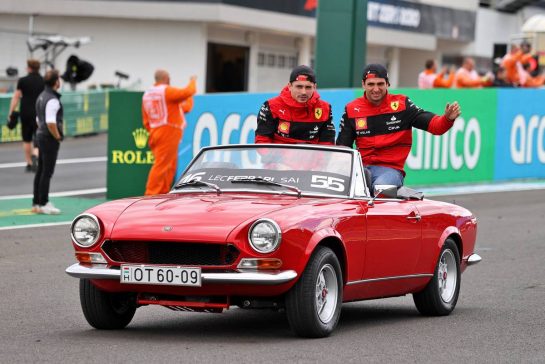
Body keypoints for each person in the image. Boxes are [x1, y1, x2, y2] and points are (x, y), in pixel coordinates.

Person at [336, 63, 461, 190]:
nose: (376, 89)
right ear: (363, 84)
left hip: (390, 171)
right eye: (371, 84)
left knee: (381, 189)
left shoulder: (402, 105)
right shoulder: (351, 109)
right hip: (360, 169)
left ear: (387, 84)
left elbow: (435, 127)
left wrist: (447, 119)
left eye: (380, 84)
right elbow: (342, 149)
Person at [142, 70, 196, 195]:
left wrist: (154, 131)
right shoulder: (166, 91)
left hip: (156, 132)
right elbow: (188, 91)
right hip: (167, 133)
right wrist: (193, 80)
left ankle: (162, 192)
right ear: (166, 78)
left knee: (169, 166)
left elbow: (146, 120)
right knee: (162, 166)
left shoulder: (147, 94)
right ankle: (151, 194)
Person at [255, 65, 335, 145]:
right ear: (289, 86)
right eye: (299, 87)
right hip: (277, 157)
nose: (303, 92)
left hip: (312, 157)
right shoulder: (271, 106)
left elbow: (327, 144)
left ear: (314, 87)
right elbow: (262, 142)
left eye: (308, 87)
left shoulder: (325, 109)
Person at [32, 70, 63, 214]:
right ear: (56, 82)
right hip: (48, 138)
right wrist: (57, 136)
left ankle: (36, 202)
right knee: (47, 172)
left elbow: (38, 120)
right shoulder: (52, 99)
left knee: (40, 170)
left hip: (40, 135)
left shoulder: (41, 96)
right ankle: (44, 202)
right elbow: (51, 122)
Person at [7, 59, 44, 172]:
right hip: (39, 112)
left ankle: (29, 163)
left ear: (29, 68)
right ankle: (36, 154)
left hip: (26, 112)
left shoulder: (23, 81)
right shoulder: (43, 81)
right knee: (39, 137)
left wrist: (11, 112)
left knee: (26, 139)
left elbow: (16, 97)